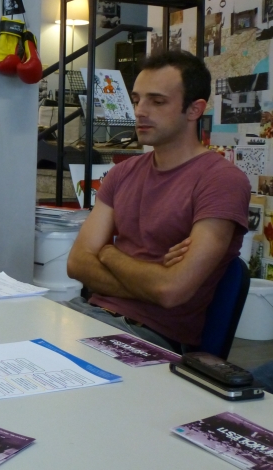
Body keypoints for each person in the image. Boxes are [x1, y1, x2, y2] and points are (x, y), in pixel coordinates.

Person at [65, 51, 251, 353]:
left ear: (194, 109)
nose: (140, 111)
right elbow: (77, 264)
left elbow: (170, 290)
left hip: (148, 337)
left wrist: (109, 254)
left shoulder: (222, 181)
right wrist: (149, 280)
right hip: (88, 313)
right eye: (137, 99)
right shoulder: (122, 173)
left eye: (157, 101)